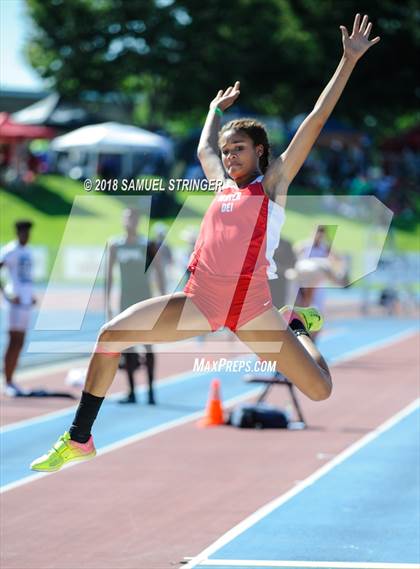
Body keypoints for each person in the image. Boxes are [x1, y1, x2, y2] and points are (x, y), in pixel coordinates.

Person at [30, 14, 379, 472]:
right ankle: (79, 437)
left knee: (319, 390)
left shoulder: (271, 186)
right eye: (228, 149)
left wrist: (347, 61)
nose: (230, 156)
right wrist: (215, 111)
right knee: (110, 334)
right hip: (201, 300)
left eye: (239, 149)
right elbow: (202, 151)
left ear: (260, 153)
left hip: (253, 307)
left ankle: (295, 327)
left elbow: (315, 119)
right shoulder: (221, 187)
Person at [106, 208, 166, 404]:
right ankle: (131, 391)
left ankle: (150, 391)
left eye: (132, 218)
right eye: (126, 218)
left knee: (148, 346)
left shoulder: (148, 245)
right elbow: (108, 276)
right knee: (127, 348)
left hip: (145, 300)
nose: (129, 222)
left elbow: (158, 271)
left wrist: (163, 300)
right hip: (125, 300)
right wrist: (108, 304)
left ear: (138, 221)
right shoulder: (115, 245)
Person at [0, 220, 36, 396]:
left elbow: (26, 278)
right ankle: (7, 381)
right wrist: (6, 295)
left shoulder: (28, 251)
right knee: (13, 341)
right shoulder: (10, 250)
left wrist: (32, 295)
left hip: (26, 303)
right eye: (24, 232)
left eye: (28, 232)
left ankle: (11, 380)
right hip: (15, 302)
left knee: (20, 342)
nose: (27, 235)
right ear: (18, 232)